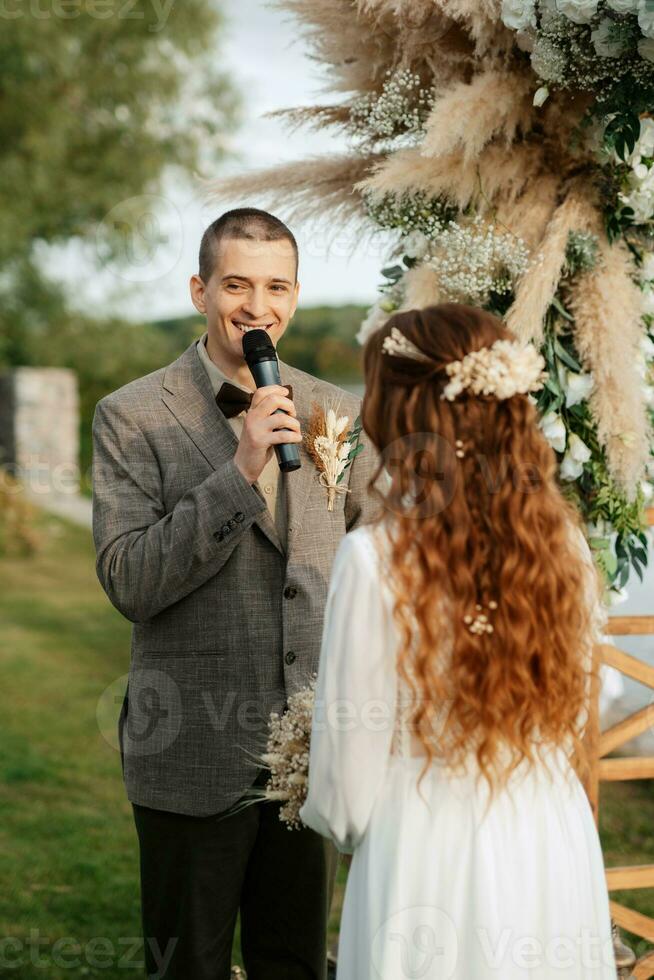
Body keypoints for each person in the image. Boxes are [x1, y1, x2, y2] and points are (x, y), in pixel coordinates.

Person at [91, 207, 382, 980]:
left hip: (312, 752)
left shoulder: (336, 412)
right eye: (238, 285)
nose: (259, 307)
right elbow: (130, 581)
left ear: (294, 295)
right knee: (188, 965)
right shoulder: (132, 416)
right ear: (200, 288)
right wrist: (240, 469)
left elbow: (391, 550)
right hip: (190, 750)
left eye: (277, 286)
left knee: (296, 962)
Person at [299, 303, 618, 979]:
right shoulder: (564, 545)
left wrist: (347, 822)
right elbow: (598, 694)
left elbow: (344, 791)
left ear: (402, 411)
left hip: (425, 853)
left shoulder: (374, 559)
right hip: (549, 843)